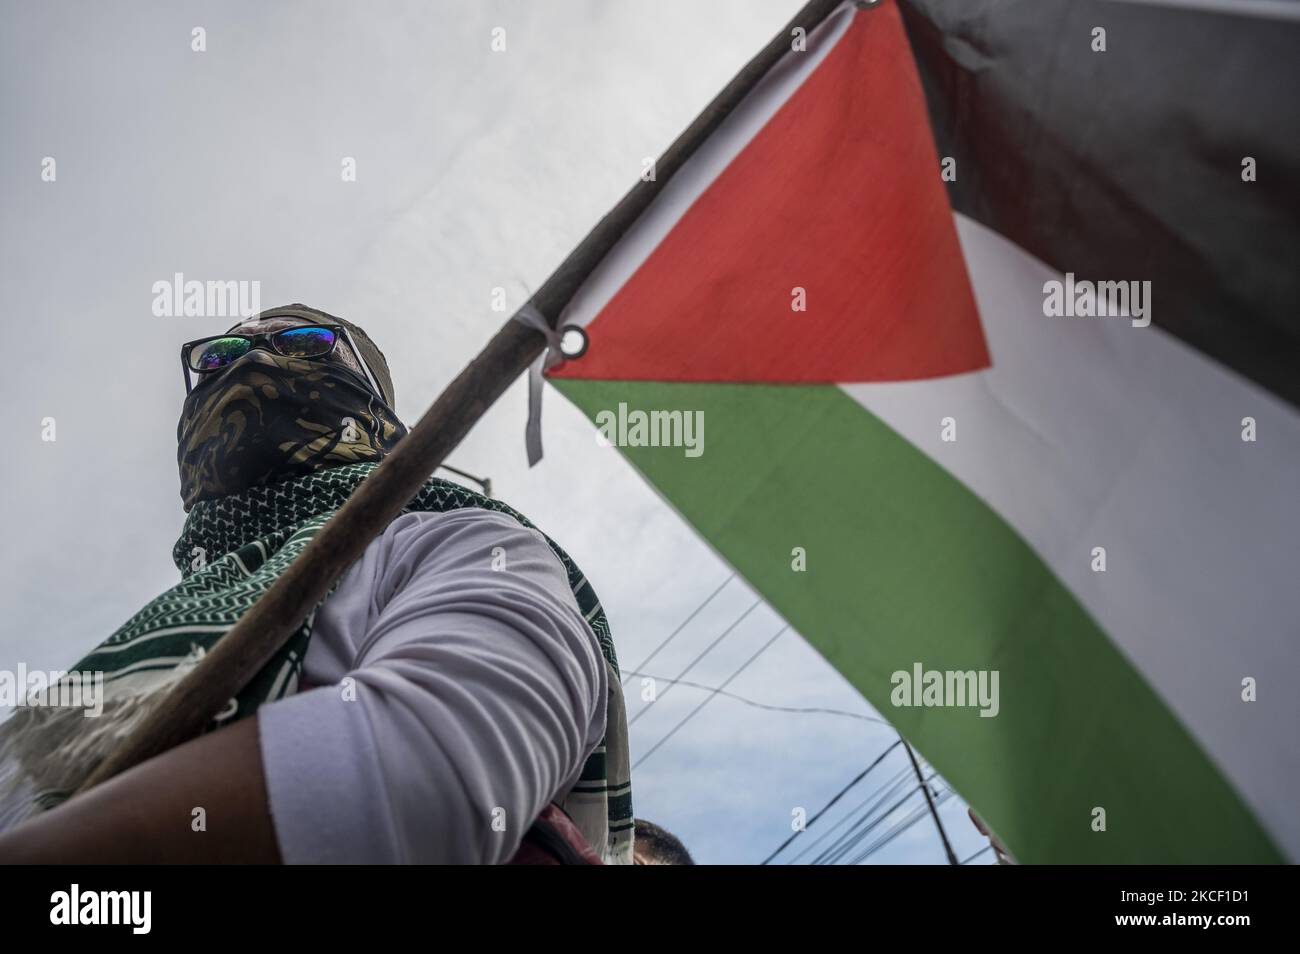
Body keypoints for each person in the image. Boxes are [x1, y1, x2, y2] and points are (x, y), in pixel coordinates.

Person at [0, 303, 634, 864]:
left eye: (303, 344)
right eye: (221, 356)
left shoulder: (459, 542)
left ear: (369, 399)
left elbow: (429, 780)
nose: (251, 360)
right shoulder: (168, 627)